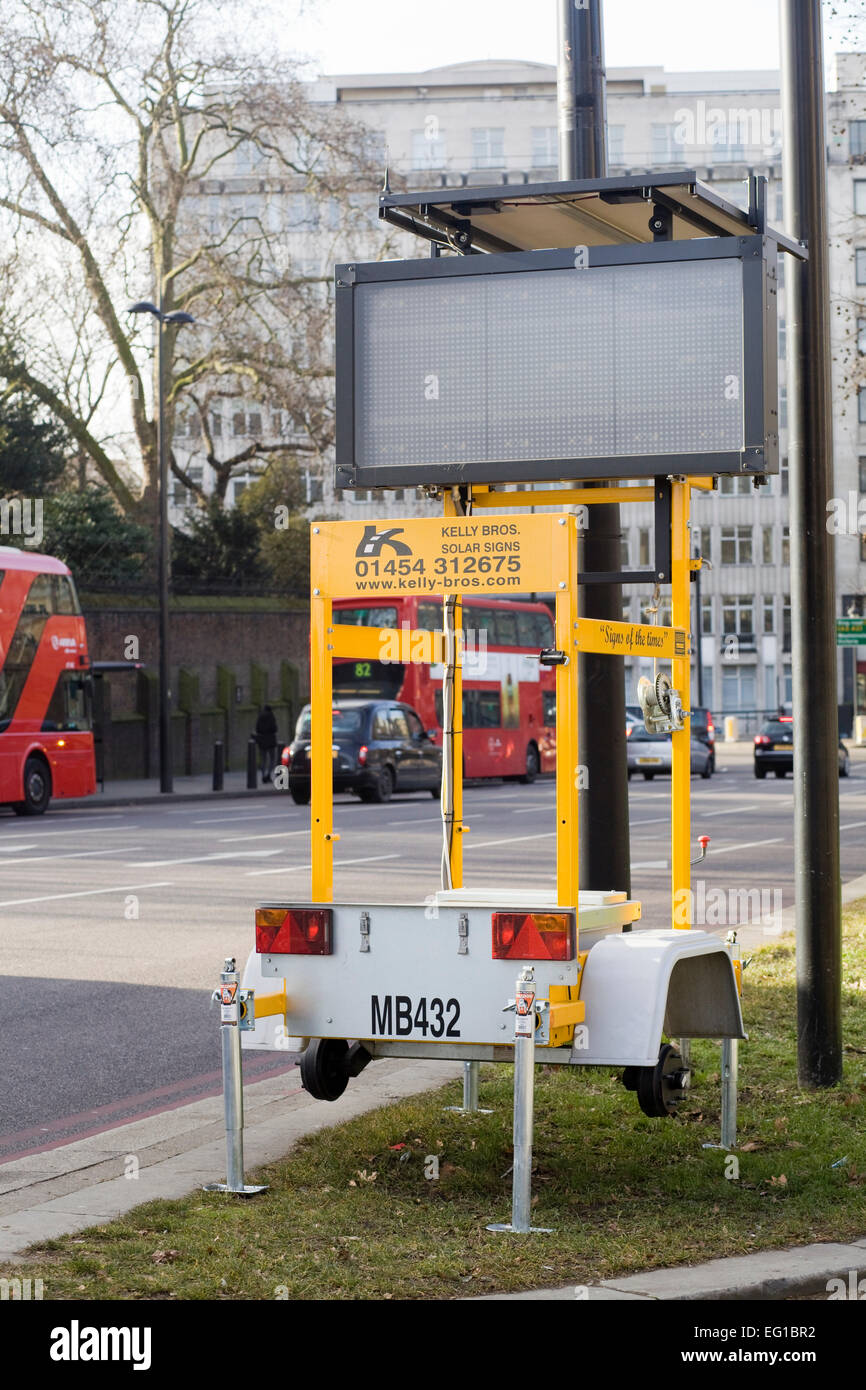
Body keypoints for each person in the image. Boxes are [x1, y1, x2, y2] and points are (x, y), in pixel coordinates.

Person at [255, 704, 278, 783]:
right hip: (270, 741)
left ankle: (263, 775)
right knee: (272, 759)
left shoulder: (260, 716)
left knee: (263, 759)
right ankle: (268, 774)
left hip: (262, 741)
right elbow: (274, 728)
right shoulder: (271, 716)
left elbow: (257, 729)